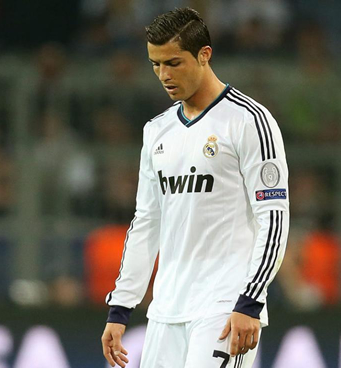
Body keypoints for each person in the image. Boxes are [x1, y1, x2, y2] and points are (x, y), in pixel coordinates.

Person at [101, 8, 289, 368]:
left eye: (173, 63)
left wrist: (250, 301)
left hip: (224, 307)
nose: (163, 75)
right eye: (155, 65)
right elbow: (146, 223)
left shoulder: (250, 121)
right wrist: (121, 306)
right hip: (166, 310)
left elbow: (274, 218)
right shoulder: (156, 131)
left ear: (205, 55)